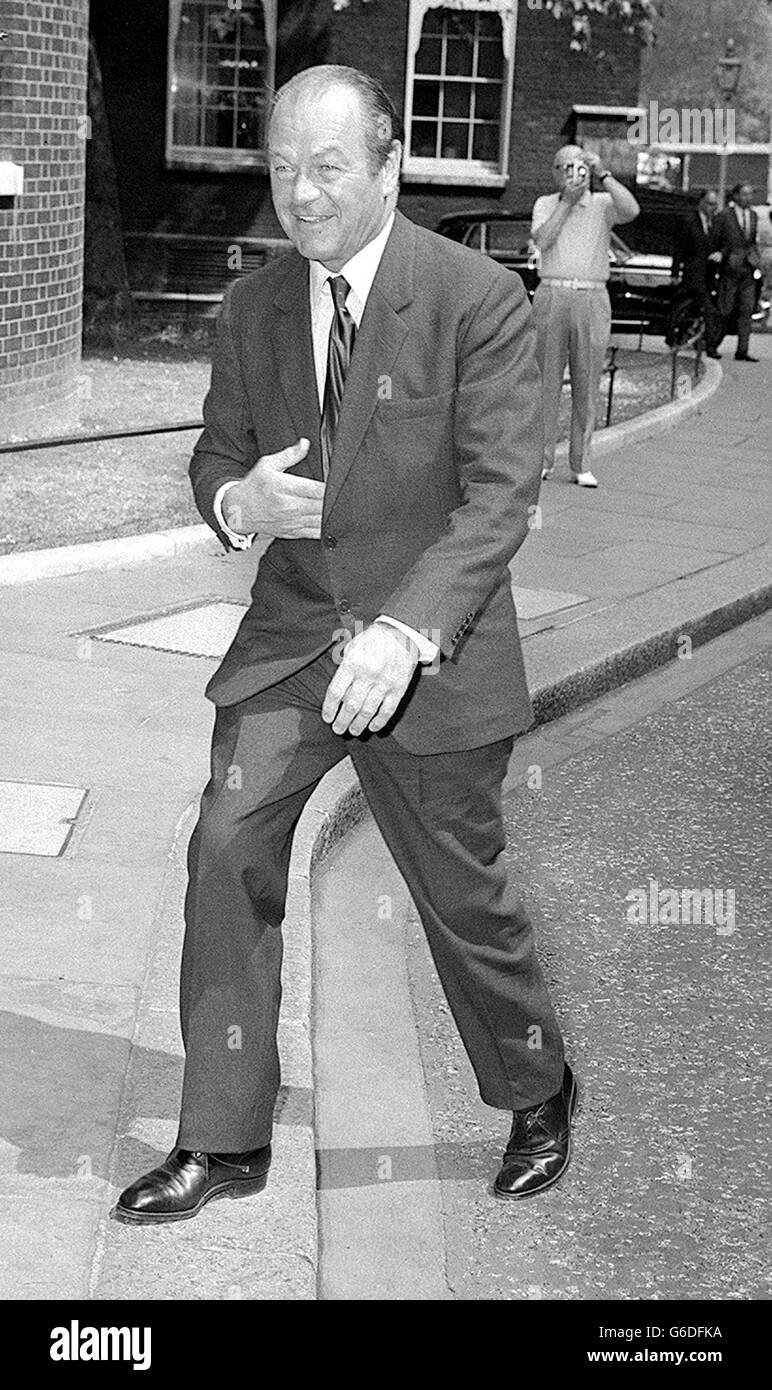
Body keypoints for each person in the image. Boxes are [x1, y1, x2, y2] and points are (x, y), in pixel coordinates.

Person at [114, 65, 574, 1224]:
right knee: (226, 846)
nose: (301, 194)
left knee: (459, 893)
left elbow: (499, 496)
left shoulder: (474, 298)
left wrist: (407, 632)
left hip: (428, 652)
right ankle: (222, 1136)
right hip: (294, 643)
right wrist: (240, 503)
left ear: (387, 168)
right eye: (282, 167)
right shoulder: (253, 307)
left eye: (326, 168)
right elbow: (218, 457)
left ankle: (535, 1087)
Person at [531, 144, 639, 489]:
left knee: (587, 380)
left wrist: (603, 173)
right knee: (545, 380)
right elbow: (542, 241)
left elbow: (632, 209)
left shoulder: (603, 204)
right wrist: (566, 202)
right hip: (552, 292)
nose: (571, 173)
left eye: (578, 167)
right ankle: (542, 459)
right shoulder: (545, 204)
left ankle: (581, 463)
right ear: (555, 173)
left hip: (592, 296)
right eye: (564, 167)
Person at [666, 188, 722, 358]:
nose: (713, 208)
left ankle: (674, 336)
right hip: (694, 274)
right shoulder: (689, 221)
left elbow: (719, 243)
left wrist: (719, 253)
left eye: (715, 204)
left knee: (693, 309)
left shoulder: (714, 223)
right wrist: (675, 272)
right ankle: (710, 347)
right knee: (709, 310)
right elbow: (679, 248)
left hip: (709, 274)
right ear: (702, 203)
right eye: (710, 204)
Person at [710, 182, 762, 362]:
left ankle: (742, 350)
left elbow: (752, 241)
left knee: (746, 310)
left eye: (750, 194)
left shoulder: (753, 216)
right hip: (730, 269)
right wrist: (721, 256)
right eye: (745, 194)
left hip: (748, 269)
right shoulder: (724, 216)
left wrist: (755, 258)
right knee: (725, 309)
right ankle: (712, 344)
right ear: (736, 196)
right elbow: (716, 240)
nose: (749, 198)